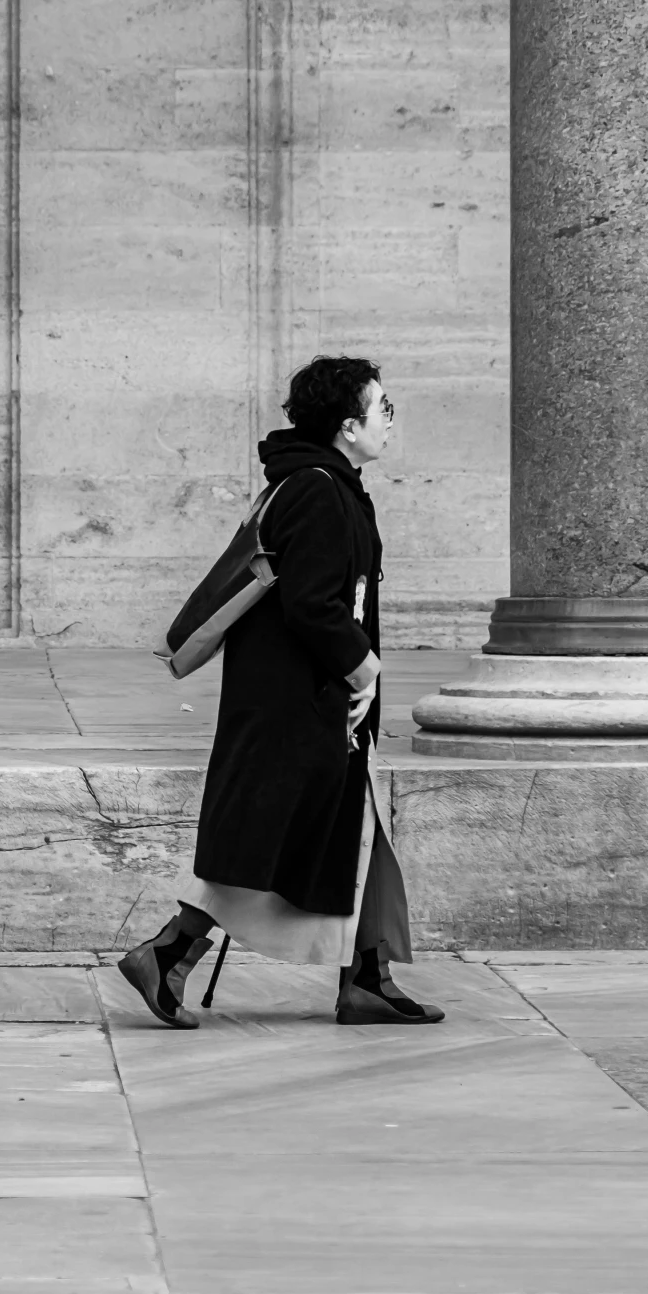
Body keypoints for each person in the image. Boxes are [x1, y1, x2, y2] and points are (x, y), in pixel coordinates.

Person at [120, 355, 445, 1030]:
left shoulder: (320, 484)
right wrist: (364, 670)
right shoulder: (318, 491)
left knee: (347, 834)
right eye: (382, 408)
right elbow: (312, 605)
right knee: (270, 843)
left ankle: (366, 978)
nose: (389, 421)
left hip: (304, 698)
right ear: (348, 425)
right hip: (299, 703)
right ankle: (169, 951)